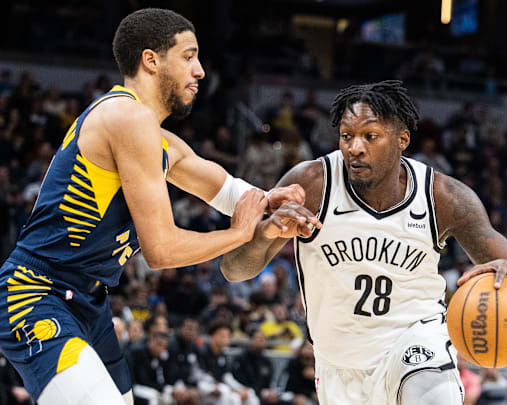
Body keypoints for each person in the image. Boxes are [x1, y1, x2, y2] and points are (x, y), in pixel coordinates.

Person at [0, 8, 309, 405]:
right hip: (36, 291)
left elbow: (229, 190)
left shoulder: (161, 141)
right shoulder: (124, 117)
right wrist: (238, 233)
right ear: (151, 60)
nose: (200, 71)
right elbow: (160, 250)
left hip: (89, 302)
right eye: (188, 56)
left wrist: (271, 201)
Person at [220, 80, 507, 405]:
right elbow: (234, 270)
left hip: (416, 340)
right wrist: (265, 233)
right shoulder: (311, 184)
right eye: (347, 136)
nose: (354, 147)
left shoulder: (443, 197)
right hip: (339, 366)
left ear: (402, 140)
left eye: (370, 136)